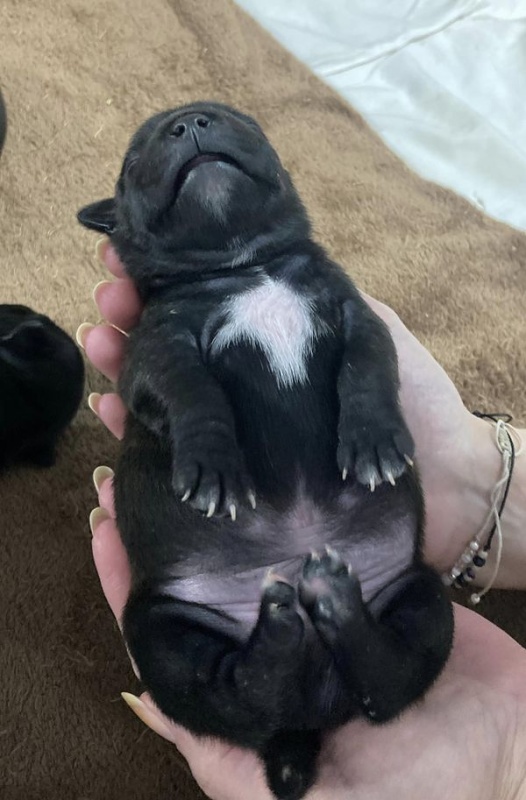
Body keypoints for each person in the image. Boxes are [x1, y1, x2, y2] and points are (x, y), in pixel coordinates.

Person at [79, 240, 526, 800]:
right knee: (162, 640)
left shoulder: (305, 287)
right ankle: (266, 678)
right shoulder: (177, 313)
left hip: (350, 581)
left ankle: (327, 658)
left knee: (423, 616)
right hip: (236, 592)